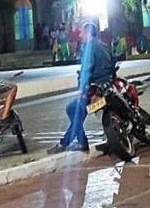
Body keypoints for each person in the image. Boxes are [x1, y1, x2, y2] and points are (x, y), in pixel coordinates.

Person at [48, 22, 113, 154]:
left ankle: (67, 143)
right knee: (77, 111)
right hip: (108, 88)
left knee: (74, 109)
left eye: (82, 32)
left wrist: (81, 90)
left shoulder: (89, 47)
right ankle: (79, 142)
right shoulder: (104, 46)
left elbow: (86, 71)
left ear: (88, 33)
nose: (80, 34)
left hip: (95, 92)